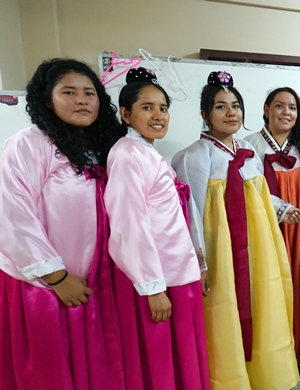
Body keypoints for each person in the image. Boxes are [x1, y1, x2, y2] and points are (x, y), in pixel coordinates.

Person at [0, 58, 125, 389]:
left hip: (92, 284)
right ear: (46, 99)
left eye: (89, 93)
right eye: (69, 92)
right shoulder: (29, 143)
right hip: (43, 285)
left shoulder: (97, 148)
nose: (82, 100)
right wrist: (56, 277)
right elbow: (11, 214)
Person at [172, 71, 300, 389]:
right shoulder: (194, 157)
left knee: (264, 305)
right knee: (224, 312)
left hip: (259, 247)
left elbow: (258, 195)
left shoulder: (247, 149)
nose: (231, 113)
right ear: (205, 114)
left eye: (236, 106)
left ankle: (267, 378)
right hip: (221, 251)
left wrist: (283, 209)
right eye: (220, 106)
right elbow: (192, 213)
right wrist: (199, 262)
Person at [104, 68, 210, 390]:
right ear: (125, 113)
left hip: (177, 272)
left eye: (163, 108)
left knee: (183, 359)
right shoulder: (126, 155)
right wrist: (152, 287)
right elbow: (128, 226)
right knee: (162, 363)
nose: (158, 115)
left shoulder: (149, 152)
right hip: (158, 280)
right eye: (147, 107)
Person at [244, 87, 300, 358]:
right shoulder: (249, 146)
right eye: (280, 106)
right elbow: (248, 191)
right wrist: (281, 209)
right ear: (266, 109)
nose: (286, 112)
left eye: (292, 108)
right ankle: (272, 357)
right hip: (266, 226)